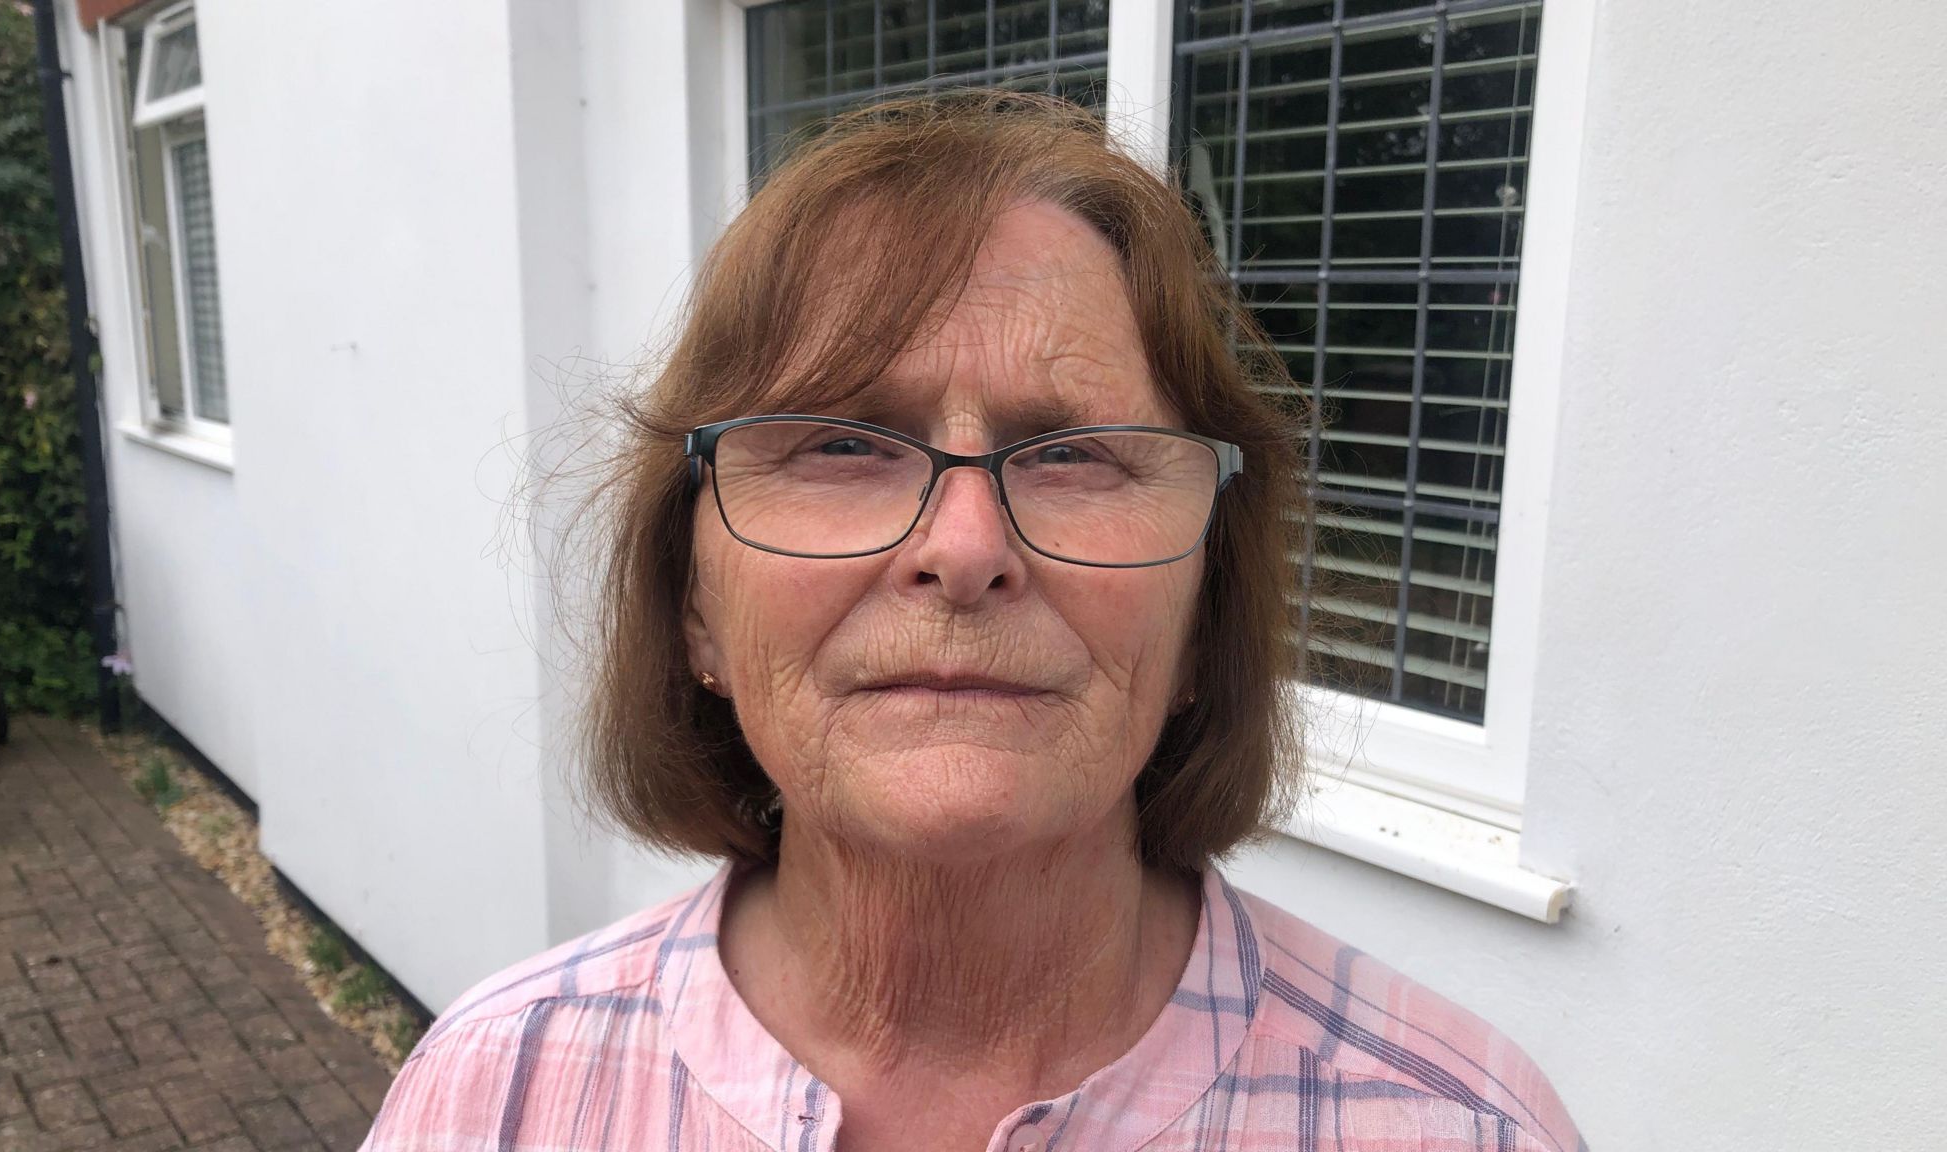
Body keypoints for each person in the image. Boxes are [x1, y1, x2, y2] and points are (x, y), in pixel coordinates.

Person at [358, 91, 1583, 1152]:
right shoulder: (490, 1097)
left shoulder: (1461, 1127)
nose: (961, 551)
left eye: (1071, 455)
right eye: (840, 444)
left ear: (1206, 614)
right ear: (694, 613)